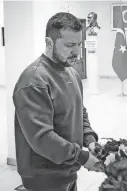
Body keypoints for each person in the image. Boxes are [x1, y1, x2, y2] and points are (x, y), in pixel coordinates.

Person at [12, 12, 102, 191]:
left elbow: (79, 110)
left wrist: (89, 138)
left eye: (78, 44)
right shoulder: (34, 81)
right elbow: (42, 138)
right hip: (43, 178)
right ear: (49, 42)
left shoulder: (72, 73)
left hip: (68, 171)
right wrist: (82, 157)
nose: (76, 51)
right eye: (69, 45)